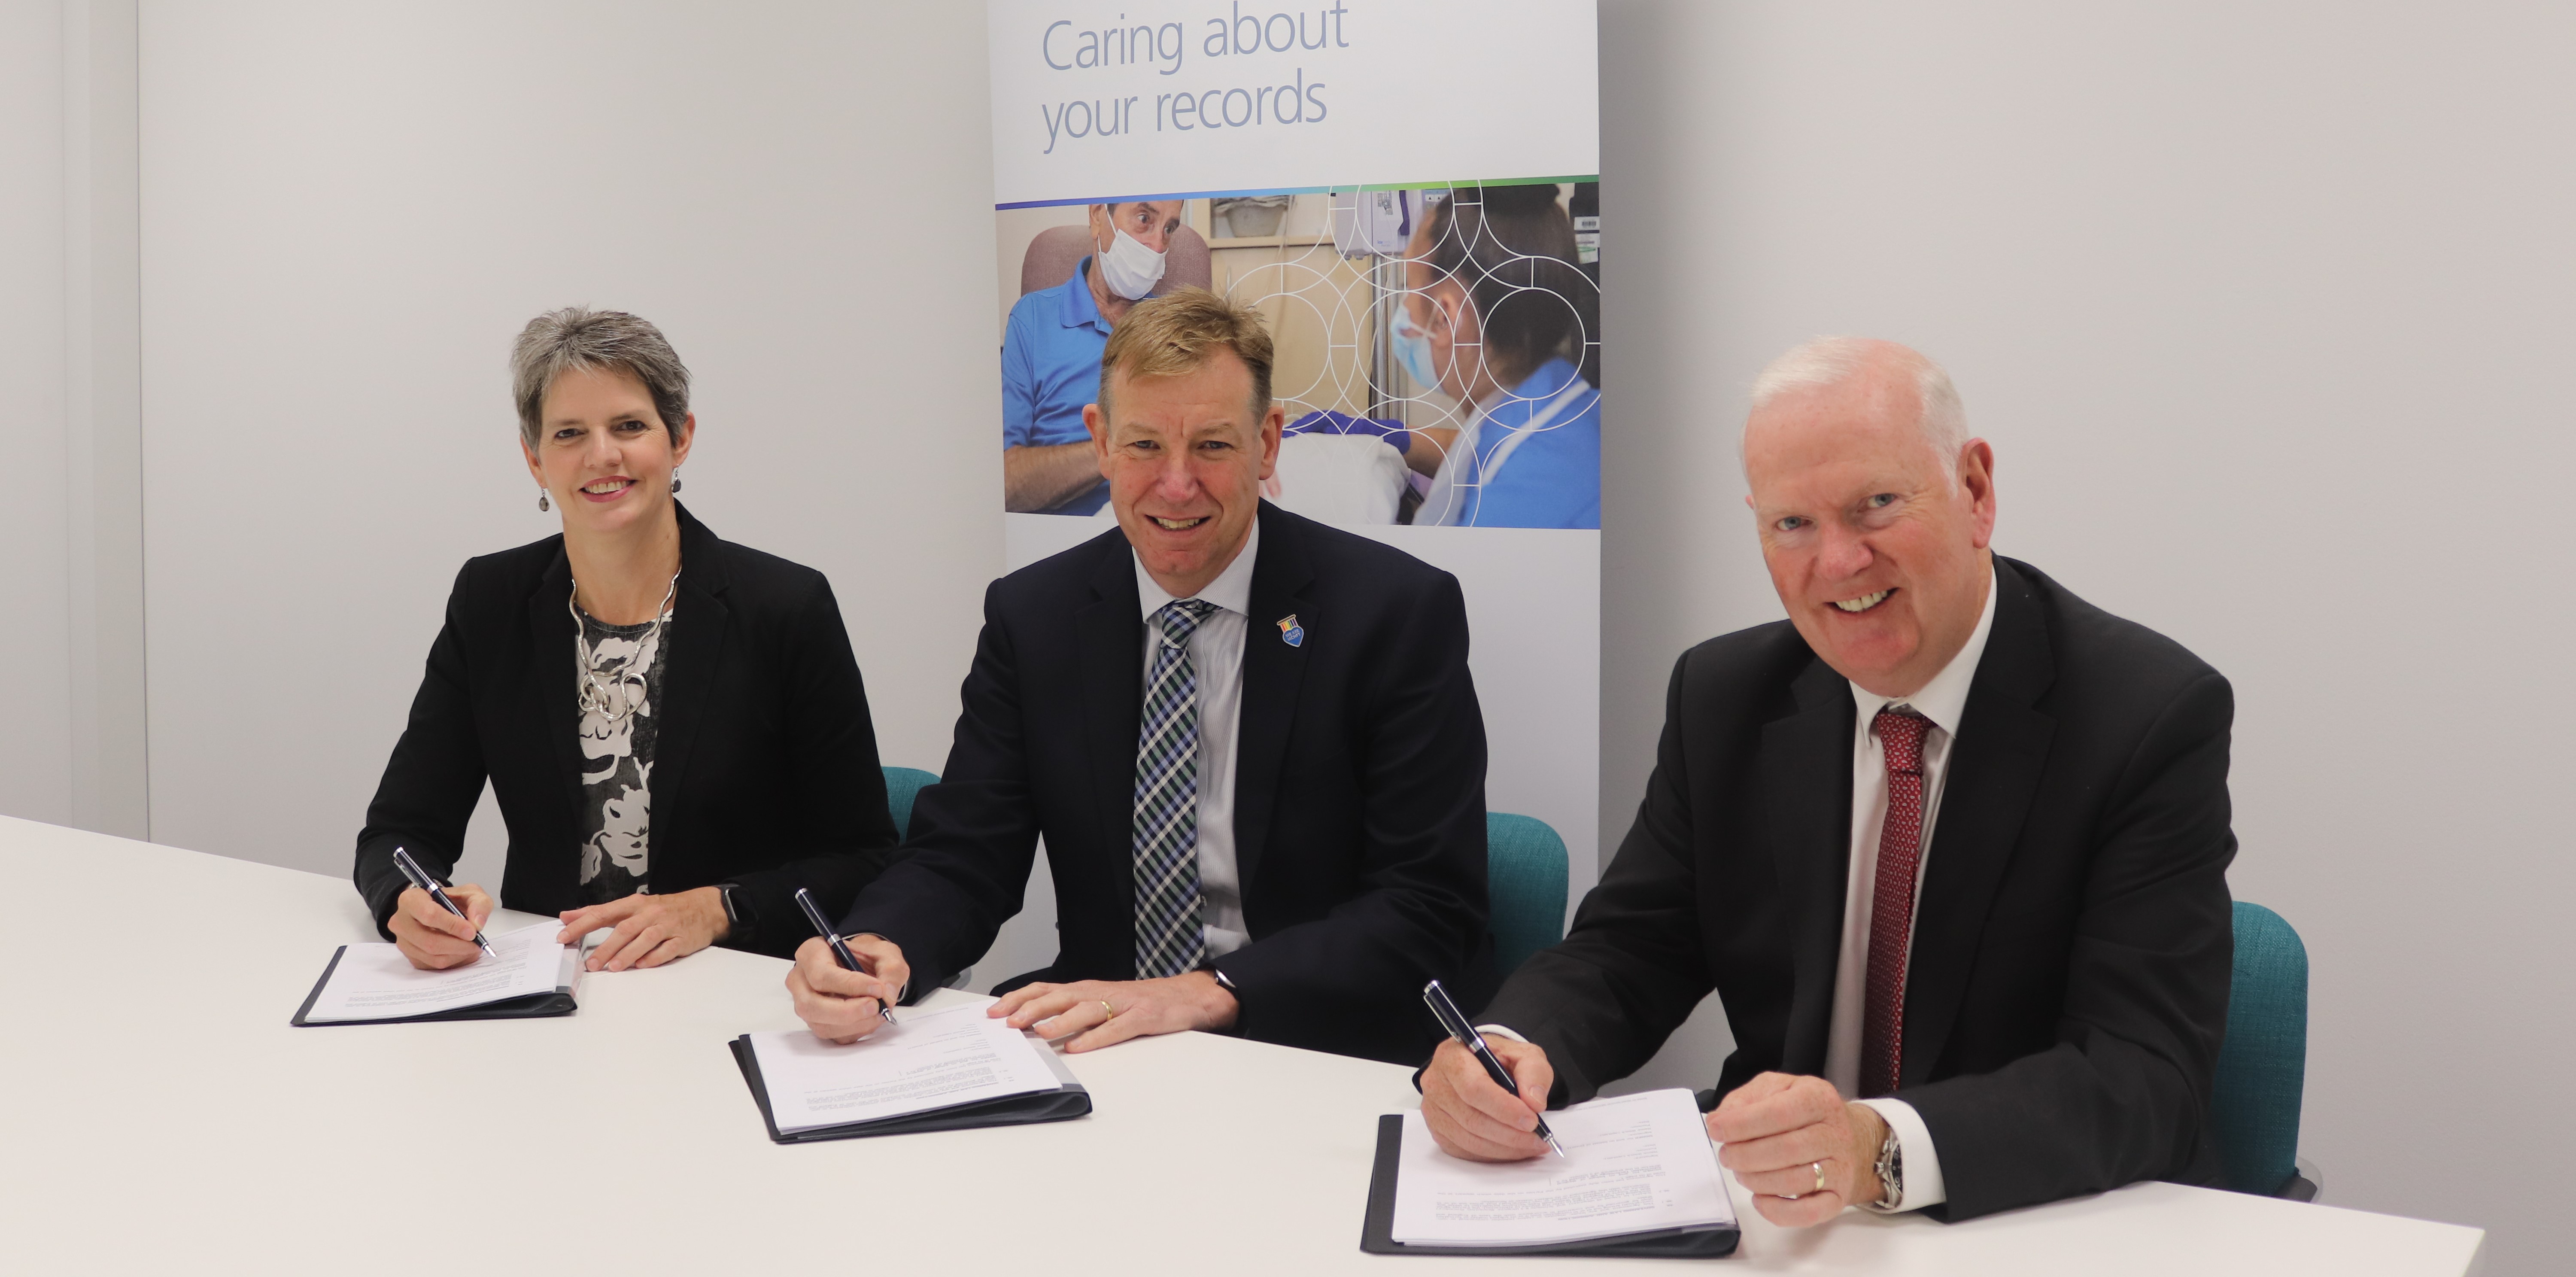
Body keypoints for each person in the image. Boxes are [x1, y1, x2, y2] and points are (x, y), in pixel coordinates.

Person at [1418, 337, 2235, 1223]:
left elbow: (2142, 1076)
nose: (1838, 562)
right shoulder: (1725, 696)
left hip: (2017, 1220)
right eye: (1792, 525)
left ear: (1975, 491)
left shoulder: (2143, 715)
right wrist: (1507, 1050)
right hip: (1778, 1220)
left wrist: (1874, 1148)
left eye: (1876, 505)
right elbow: (1632, 947)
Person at [791, 288, 1495, 1064]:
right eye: (1145, 446)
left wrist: (1207, 990)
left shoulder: (1393, 615)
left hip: (1310, 1050)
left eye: (1215, 447)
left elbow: (1428, 908)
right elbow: (963, 853)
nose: (1177, 483)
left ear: (1268, 444)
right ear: (1100, 442)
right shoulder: (1036, 616)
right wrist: (877, 945)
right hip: (1103, 1042)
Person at [354, 307, 899, 972]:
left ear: (681, 438)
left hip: (725, 983)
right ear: (534, 460)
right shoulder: (490, 601)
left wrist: (719, 906)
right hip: (550, 988)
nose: (601, 455)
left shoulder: (785, 608)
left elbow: (863, 856)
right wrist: (406, 901)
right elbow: (399, 832)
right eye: (569, 433)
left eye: (630, 426)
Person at [1391, 185, 1601, 528]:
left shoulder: (1505, 511)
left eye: (1410, 289)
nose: (1404, 313)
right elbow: (1482, 450)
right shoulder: (1573, 408)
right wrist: (1394, 436)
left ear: (1445, 319)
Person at [1002, 198, 1188, 515]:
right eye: (1144, 219)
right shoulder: (1033, 319)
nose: (1158, 246)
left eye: (1169, 228)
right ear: (1098, 215)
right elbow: (1004, 484)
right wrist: (1119, 451)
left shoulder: (1175, 326)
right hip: (1055, 530)